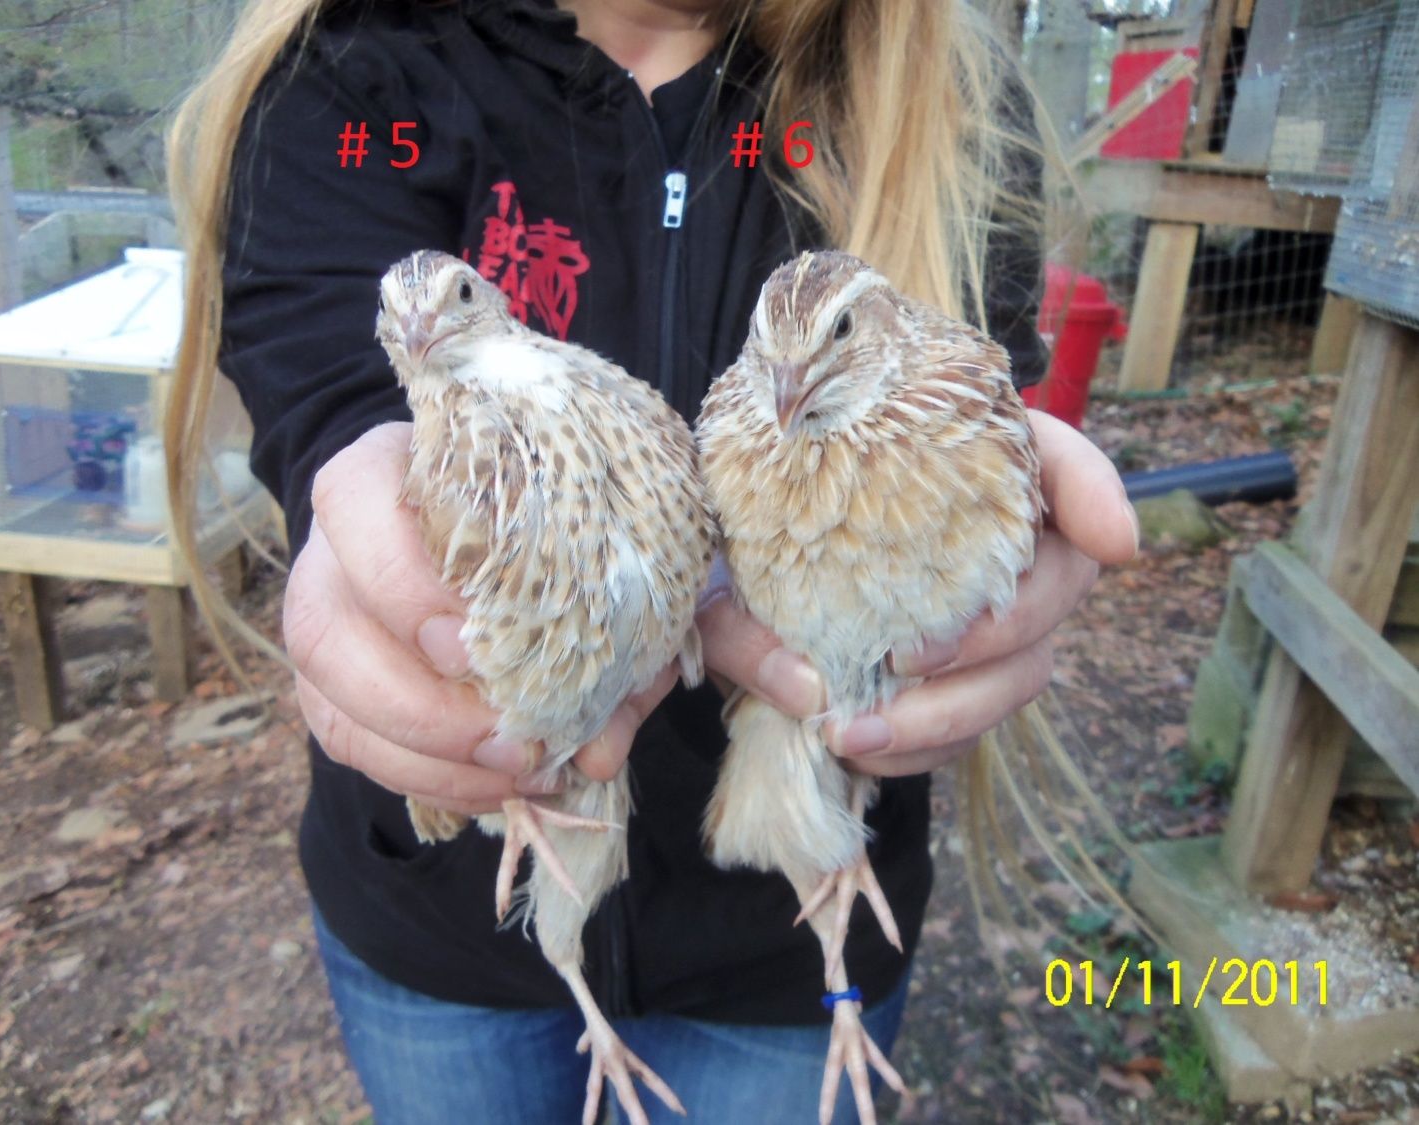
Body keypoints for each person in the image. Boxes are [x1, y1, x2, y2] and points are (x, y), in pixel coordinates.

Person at [165, 1, 1140, 1121]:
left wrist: (997, 505)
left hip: (788, 916)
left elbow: (979, 382)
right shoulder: (346, 71)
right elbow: (334, 391)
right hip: (452, 900)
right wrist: (363, 514)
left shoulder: (942, 95)